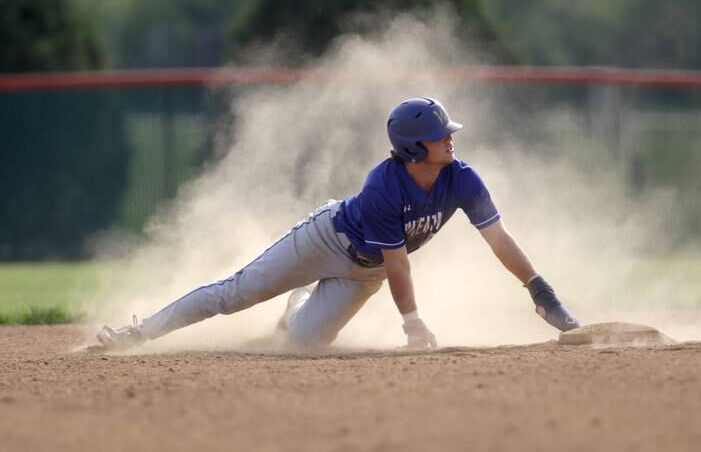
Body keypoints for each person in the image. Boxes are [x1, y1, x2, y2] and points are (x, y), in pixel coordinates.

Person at [97, 97, 579, 351]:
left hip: (366, 272)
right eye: (439, 136)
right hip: (326, 240)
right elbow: (400, 266)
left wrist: (540, 290)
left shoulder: (463, 179)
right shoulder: (384, 187)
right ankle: (137, 335)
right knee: (234, 295)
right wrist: (412, 324)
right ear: (414, 149)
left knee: (301, 344)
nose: (449, 141)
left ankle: (299, 302)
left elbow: (499, 240)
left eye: (447, 133)